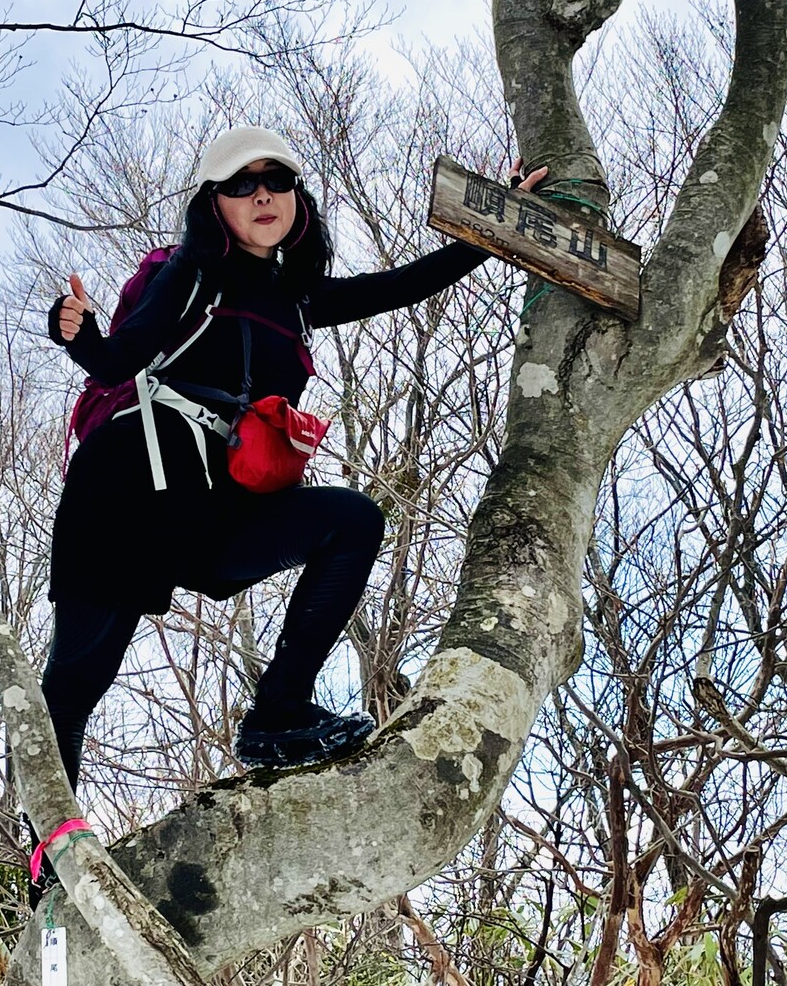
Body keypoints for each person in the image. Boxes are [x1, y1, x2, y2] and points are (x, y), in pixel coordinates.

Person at [44, 125, 545, 790]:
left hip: (220, 508)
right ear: (213, 203)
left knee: (354, 520)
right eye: (241, 183)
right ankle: (47, 858)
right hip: (130, 495)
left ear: (297, 199)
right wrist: (73, 329)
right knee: (78, 681)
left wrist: (496, 221)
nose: (262, 195)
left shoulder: (300, 298)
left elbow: (402, 285)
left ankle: (277, 714)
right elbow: (115, 359)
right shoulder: (188, 276)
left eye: (277, 180)